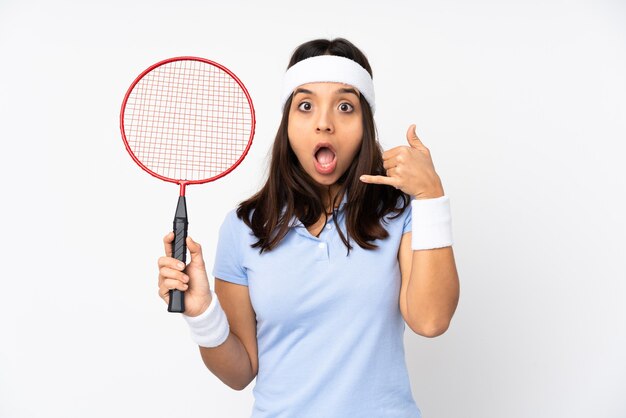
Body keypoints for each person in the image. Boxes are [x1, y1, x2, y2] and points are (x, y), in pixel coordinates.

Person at [157, 38, 460, 418]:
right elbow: (239, 373)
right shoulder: (243, 227)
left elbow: (431, 321)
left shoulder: (400, 212)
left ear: (366, 125)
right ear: (287, 124)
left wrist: (431, 196)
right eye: (305, 106)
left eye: (345, 107)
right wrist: (201, 313)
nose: (324, 123)